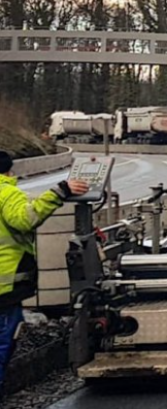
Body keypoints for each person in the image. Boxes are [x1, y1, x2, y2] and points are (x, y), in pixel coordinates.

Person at [0, 151, 89, 392]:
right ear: (10, 171)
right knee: (3, 340)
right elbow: (25, 219)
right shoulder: (6, 193)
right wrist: (60, 192)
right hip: (4, 287)